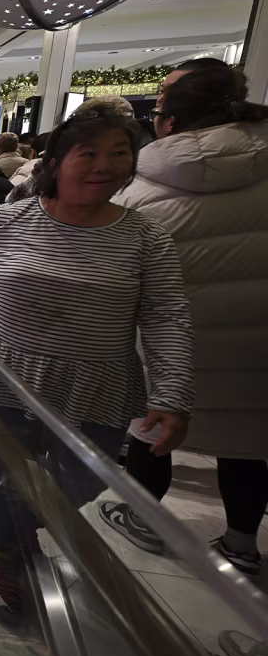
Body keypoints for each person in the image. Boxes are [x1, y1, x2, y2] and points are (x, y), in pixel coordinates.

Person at [0, 100, 195, 623]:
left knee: (83, 479)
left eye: (119, 153)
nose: (105, 165)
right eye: (89, 153)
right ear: (57, 162)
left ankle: (20, 529)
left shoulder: (146, 237)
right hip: (10, 376)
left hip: (98, 383)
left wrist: (172, 393)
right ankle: (0, 553)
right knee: (4, 471)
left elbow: (168, 315)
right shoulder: (12, 219)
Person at [99, 64, 268, 574]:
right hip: (255, 344)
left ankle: (147, 520)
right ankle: (241, 542)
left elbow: (113, 268)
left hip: (165, 340)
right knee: (247, 441)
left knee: (151, 431)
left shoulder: (141, 189)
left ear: (168, 120)